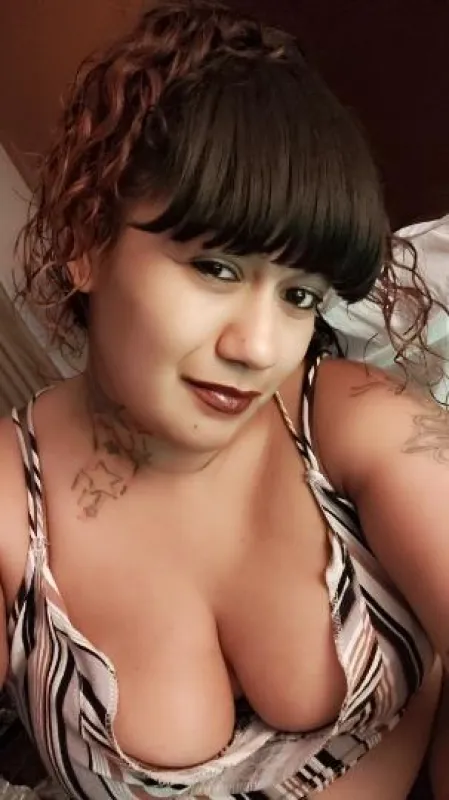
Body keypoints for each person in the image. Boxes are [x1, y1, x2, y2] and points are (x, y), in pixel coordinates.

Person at [0, 0, 448, 797]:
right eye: (215, 269)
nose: (259, 347)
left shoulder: (355, 425)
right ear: (85, 243)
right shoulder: (13, 506)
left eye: (299, 296)